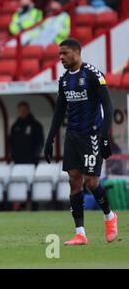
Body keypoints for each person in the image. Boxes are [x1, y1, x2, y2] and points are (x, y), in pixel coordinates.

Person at [44, 38, 118, 245]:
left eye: (65, 53)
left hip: (92, 135)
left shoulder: (93, 75)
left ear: (77, 52)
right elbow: (59, 112)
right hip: (72, 136)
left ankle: (110, 218)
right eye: (59, 54)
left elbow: (108, 107)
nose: (61, 58)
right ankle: (80, 233)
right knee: (74, 181)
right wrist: (50, 140)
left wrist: (104, 136)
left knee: (91, 182)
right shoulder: (65, 80)